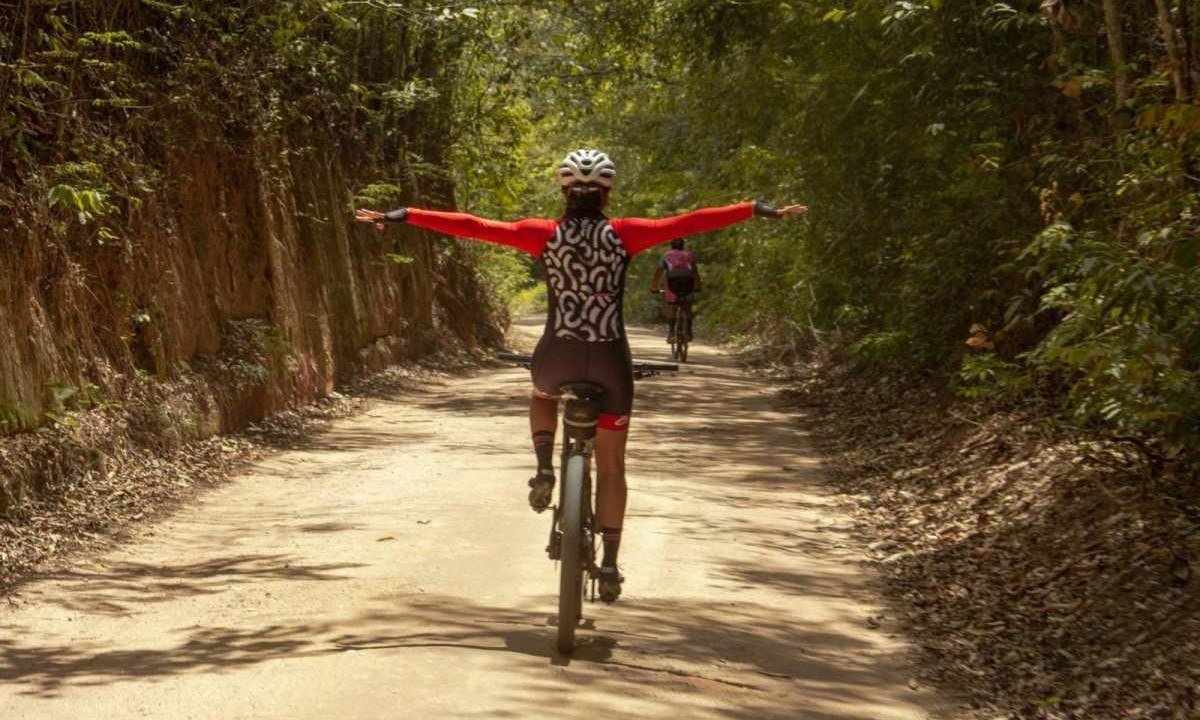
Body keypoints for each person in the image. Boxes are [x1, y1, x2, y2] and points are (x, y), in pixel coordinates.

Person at [355, 149, 807, 602]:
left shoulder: (542, 234)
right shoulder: (626, 233)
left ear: (564, 190)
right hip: (611, 362)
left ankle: (542, 469)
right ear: (607, 192)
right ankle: (609, 565)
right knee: (611, 466)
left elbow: (474, 226)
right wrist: (757, 209)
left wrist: (403, 215)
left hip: (558, 356)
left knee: (542, 393)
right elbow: (691, 221)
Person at [650, 237, 700, 344]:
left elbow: (659, 272)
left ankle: (671, 334)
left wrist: (654, 287)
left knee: (672, 307)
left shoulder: (667, 255)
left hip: (672, 284)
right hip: (688, 282)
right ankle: (689, 332)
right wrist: (698, 286)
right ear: (683, 246)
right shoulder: (689, 255)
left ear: (671, 245)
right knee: (687, 307)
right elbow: (695, 272)